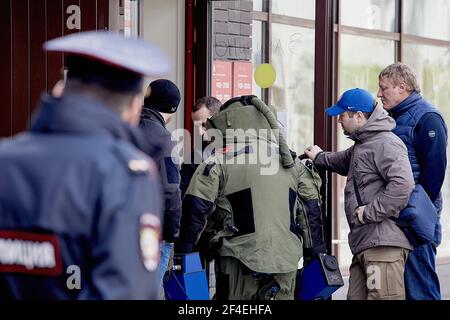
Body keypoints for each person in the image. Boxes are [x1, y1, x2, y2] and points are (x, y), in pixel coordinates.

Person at [0, 31, 169, 299]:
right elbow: (125, 291)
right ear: (134, 106)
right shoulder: (124, 172)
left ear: (61, 90)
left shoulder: (6, 158)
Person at [175, 95, 326, 300]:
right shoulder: (290, 161)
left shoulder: (218, 161)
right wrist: (316, 259)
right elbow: (311, 214)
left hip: (238, 263)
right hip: (285, 263)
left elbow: (195, 210)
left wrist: (184, 255)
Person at [305, 88, 414, 300]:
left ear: (359, 115)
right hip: (366, 245)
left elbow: (403, 185)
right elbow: (343, 161)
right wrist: (319, 156)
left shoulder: (385, 143)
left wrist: (369, 212)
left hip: (382, 247)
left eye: (342, 115)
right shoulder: (363, 145)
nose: (338, 120)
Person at [378, 63, 448, 300]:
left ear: (402, 87)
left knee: (420, 288)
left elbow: (435, 171)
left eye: (384, 88)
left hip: (416, 217)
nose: (379, 94)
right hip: (400, 215)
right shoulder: (395, 118)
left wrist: (417, 212)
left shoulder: (427, 118)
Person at [139, 79, 182, 297]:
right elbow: (171, 189)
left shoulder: (124, 127)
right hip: (154, 233)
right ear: (172, 109)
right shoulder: (164, 139)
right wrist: (172, 233)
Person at [180, 96, 222, 197]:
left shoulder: (237, 151)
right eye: (196, 126)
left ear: (218, 119)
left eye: (203, 124)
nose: (199, 132)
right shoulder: (192, 159)